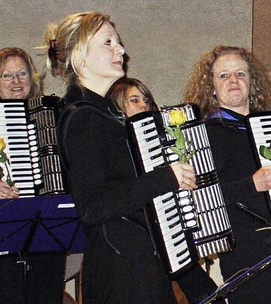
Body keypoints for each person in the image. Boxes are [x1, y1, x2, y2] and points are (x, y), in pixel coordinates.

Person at [44, 12, 203, 303]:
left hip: (133, 260)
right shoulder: (83, 118)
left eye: (118, 42)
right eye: (108, 43)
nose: (121, 50)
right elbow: (92, 207)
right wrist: (165, 177)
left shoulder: (104, 114)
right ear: (80, 58)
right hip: (120, 269)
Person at [183, 45, 271, 304]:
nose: (233, 81)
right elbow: (199, 198)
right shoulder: (203, 134)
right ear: (211, 86)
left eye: (240, 74)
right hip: (248, 252)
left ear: (252, 81)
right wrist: (252, 184)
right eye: (223, 75)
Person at [0, 47, 65, 303]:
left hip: (46, 235)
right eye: (7, 76)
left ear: (33, 78)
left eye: (22, 74)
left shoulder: (53, 114)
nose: (16, 82)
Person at [107, 76, 222, 303]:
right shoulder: (115, 152)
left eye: (146, 100)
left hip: (170, 233)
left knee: (209, 294)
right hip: (139, 248)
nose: (143, 106)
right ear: (118, 107)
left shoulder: (163, 144)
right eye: (134, 100)